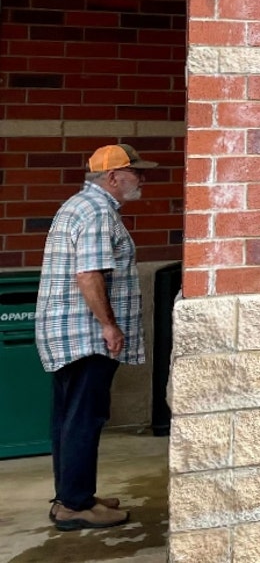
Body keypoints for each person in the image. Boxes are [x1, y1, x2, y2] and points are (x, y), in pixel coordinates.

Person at [36, 143, 157, 530]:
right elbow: (89, 274)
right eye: (136, 172)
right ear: (113, 177)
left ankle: (73, 496)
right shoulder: (97, 212)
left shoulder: (81, 206)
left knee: (69, 418)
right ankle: (74, 505)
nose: (142, 179)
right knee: (85, 417)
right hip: (85, 334)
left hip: (70, 331)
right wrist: (109, 325)